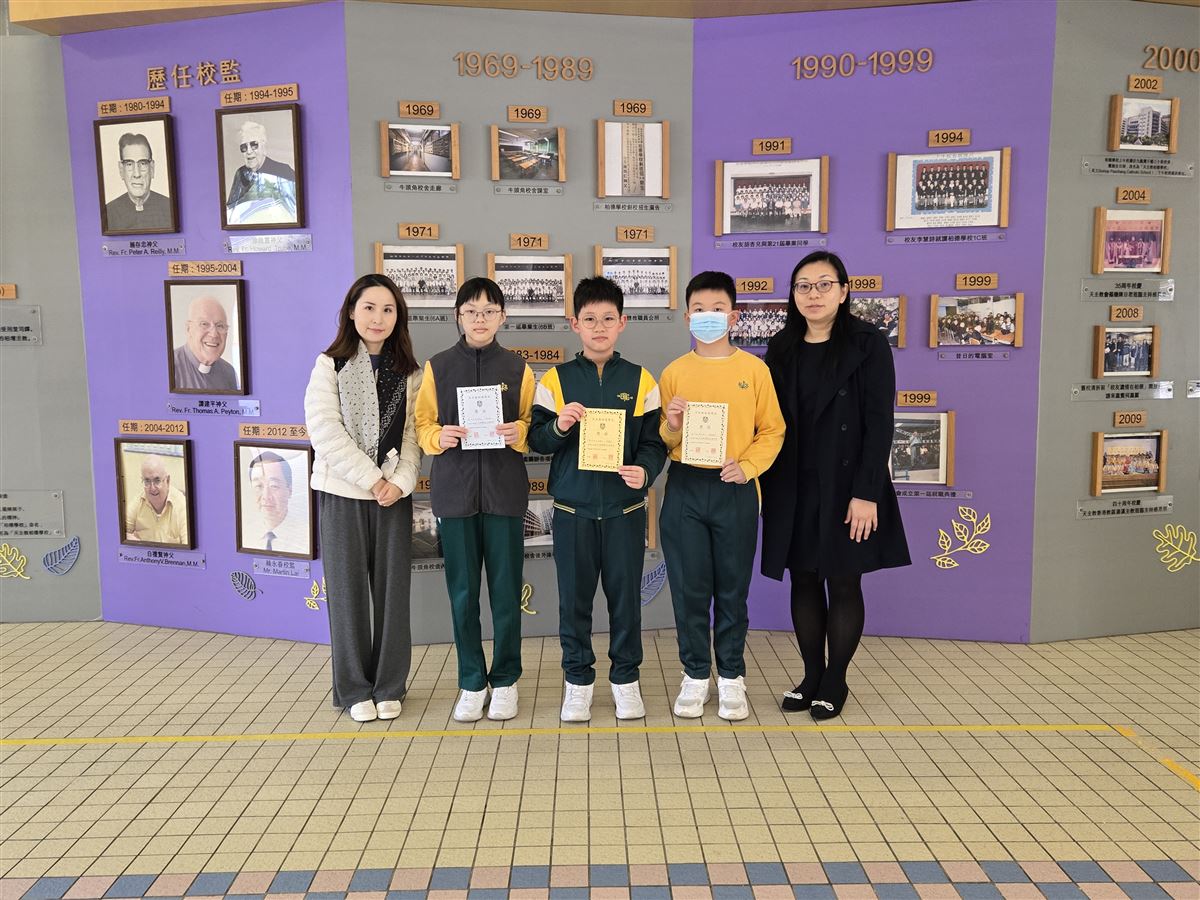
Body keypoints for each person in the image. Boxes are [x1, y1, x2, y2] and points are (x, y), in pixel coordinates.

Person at [760, 251, 911, 721]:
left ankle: (835, 679)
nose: (814, 294)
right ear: (793, 294)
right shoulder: (781, 346)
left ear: (844, 291)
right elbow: (768, 419)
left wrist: (867, 493)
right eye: (803, 285)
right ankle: (811, 675)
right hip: (793, 482)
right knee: (803, 578)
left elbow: (879, 422)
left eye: (824, 284)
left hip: (849, 485)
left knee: (844, 580)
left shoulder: (868, 343)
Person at [528, 276, 667, 722]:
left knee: (626, 602)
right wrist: (559, 426)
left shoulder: (642, 380)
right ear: (575, 324)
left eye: (609, 319)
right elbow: (537, 440)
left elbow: (654, 444)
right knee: (574, 603)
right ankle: (578, 683)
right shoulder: (556, 379)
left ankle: (626, 681)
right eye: (590, 319)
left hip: (626, 511)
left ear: (623, 323)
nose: (600, 327)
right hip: (573, 512)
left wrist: (645, 470)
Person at [658, 271, 786, 720]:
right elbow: (664, 441)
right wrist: (673, 424)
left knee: (732, 589)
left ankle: (731, 675)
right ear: (686, 317)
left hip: (735, 487)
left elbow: (772, 430)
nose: (708, 316)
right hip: (686, 487)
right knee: (689, 589)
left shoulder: (754, 370)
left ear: (733, 316)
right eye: (699, 310)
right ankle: (695, 674)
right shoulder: (674, 372)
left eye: (717, 310)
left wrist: (747, 467)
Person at [414, 277, 535, 723]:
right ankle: (471, 681)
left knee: (505, 594)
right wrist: (438, 436)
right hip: (455, 493)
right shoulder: (439, 367)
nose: (479, 319)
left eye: (489, 311)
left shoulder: (519, 368)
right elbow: (422, 425)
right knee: (463, 595)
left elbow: (532, 423)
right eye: (471, 311)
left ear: (503, 317)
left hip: (504, 493)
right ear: (458, 317)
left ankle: (505, 680)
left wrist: (520, 432)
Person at [304, 274, 422, 723]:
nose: (378, 318)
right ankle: (354, 689)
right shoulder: (329, 365)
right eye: (369, 308)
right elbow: (325, 431)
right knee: (347, 596)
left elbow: (412, 436)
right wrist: (373, 480)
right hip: (344, 495)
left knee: (393, 596)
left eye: (388, 309)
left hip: (393, 497)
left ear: (398, 317)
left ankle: (390, 685)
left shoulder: (409, 372)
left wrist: (400, 483)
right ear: (352, 312)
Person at [225, 121, 298, 225]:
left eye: (254, 145)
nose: (249, 151)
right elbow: (230, 212)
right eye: (244, 147)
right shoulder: (240, 173)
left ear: (263, 145)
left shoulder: (283, 171)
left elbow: (295, 211)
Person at [104, 132, 173, 233]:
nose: (137, 174)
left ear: (152, 168)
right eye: (129, 164)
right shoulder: (108, 213)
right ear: (121, 170)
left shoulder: (170, 208)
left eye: (143, 163)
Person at [172, 295, 240, 393]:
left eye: (220, 326)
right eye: (204, 324)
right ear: (188, 328)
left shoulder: (228, 372)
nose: (214, 334)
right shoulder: (169, 367)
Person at [246, 450, 306, 554]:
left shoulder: (306, 536)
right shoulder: (246, 534)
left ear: (289, 490)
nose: (266, 496)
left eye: (273, 486)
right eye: (258, 486)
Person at [125, 454, 188, 545]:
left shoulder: (182, 505)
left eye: (157, 480)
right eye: (147, 481)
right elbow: (118, 533)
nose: (152, 488)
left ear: (167, 480)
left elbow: (190, 547)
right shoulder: (137, 502)